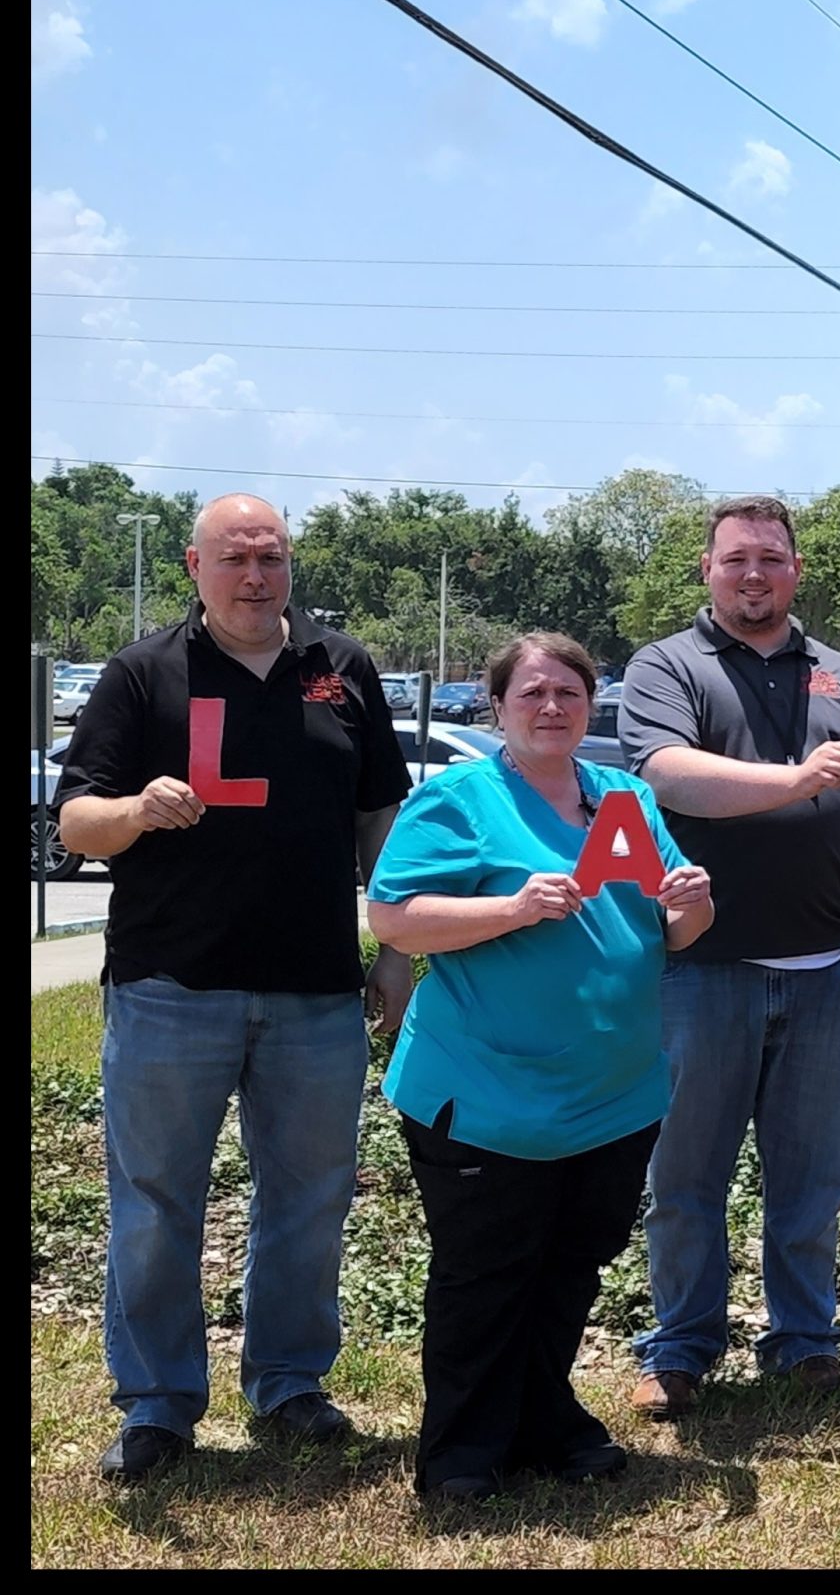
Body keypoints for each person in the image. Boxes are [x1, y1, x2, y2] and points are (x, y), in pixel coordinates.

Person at [56, 493, 412, 1485]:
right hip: (172, 983)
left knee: (309, 1197)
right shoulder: (143, 673)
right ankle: (159, 1405)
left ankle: (289, 1381)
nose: (255, 574)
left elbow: (382, 812)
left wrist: (395, 947)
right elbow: (75, 821)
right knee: (155, 1198)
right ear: (194, 564)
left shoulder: (342, 671)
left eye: (272, 556)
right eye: (235, 557)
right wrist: (133, 807)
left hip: (314, 990)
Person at [367, 634, 715, 1502]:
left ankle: (542, 1419)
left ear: (592, 705)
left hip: (613, 1094)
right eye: (532, 692)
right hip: (487, 1092)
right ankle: (459, 1451)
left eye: (569, 691)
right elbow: (394, 920)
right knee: (485, 1275)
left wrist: (695, 905)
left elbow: (672, 934)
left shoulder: (622, 798)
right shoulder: (459, 800)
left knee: (569, 1270)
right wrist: (510, 908)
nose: (552, 706)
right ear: (498, 708)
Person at [617, 496, 840, 1417]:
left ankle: (803, 1339)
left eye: (773, 559)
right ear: (708, 570)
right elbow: (668, 777)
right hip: (701, 970)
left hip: (829, 973)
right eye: (737, 559)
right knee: (685, 1176)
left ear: (796, 571)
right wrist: (793, 780)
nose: (756, 574)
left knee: (812, 1176)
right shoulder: (668, 666)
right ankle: (680, 1346)